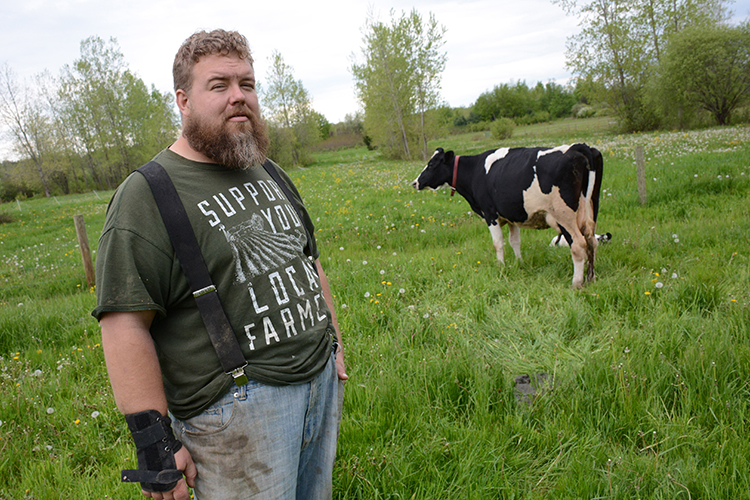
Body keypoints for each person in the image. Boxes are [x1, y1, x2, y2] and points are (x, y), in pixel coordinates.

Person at [93, 29, 347, 500]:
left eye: (246, 84)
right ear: (183, 100)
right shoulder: (148, 194)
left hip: (320, 385)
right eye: (219, 85)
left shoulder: (267, 169)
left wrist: (333, 341)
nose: (238, 97)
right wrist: (155, 445)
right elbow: (124, 325)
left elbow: (309, 263)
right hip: (237, 411)